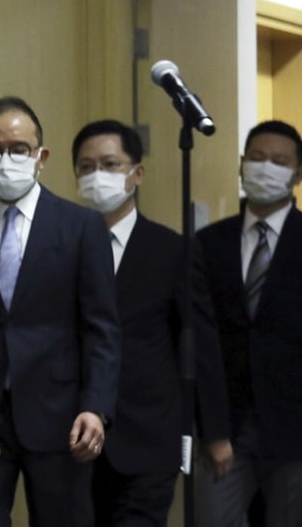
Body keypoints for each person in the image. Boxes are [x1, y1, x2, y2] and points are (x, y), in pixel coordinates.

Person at [0, 97, 121, 527]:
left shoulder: (81, 227)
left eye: (18, 148)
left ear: (41, 157)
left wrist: (97, 406)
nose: (6, 159)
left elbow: (102, 328)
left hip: (62, 417)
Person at [71, 120, 233, 526]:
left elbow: (199, 345)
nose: (97, 176)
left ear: (136, 173)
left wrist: (214, 432)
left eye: (110, 164)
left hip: (148, 435)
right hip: (72, 435)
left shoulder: (172, 250)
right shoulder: (59, 244)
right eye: (86, 167)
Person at [195, 120, 302, 526]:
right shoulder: (208, 244)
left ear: (297, 173)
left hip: (294, 428)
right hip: (226, 426)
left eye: (279, 161)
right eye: (257, 158)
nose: (265, 168)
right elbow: (200, 342)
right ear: (241, 165)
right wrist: (212, 429)